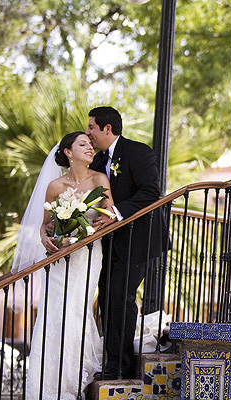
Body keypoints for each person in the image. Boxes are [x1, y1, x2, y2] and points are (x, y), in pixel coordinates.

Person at [20, 131, 114, 399]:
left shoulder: (99, 179)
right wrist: (47, 239)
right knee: (53, 312)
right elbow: (44, 226)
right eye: (82, 144)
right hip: (58, 260)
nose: (89, 148)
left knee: (75, 308)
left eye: (89, 144)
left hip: (86, 255)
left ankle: (73, 377)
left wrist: (81, 237)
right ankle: (46, 383)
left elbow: (107, 218)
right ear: (68, 153)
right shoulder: (54, 186)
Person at [86, 106, 166, 380]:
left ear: (107, 129)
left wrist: (116, 214)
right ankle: (114, 361)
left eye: (92, 128)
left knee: (121, 297)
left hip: (137, 239)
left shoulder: (138, 151)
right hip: (108, 244)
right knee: (107, 299)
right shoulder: (96, 163)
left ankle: (120, 365)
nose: (88, 133)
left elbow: (151, 192)